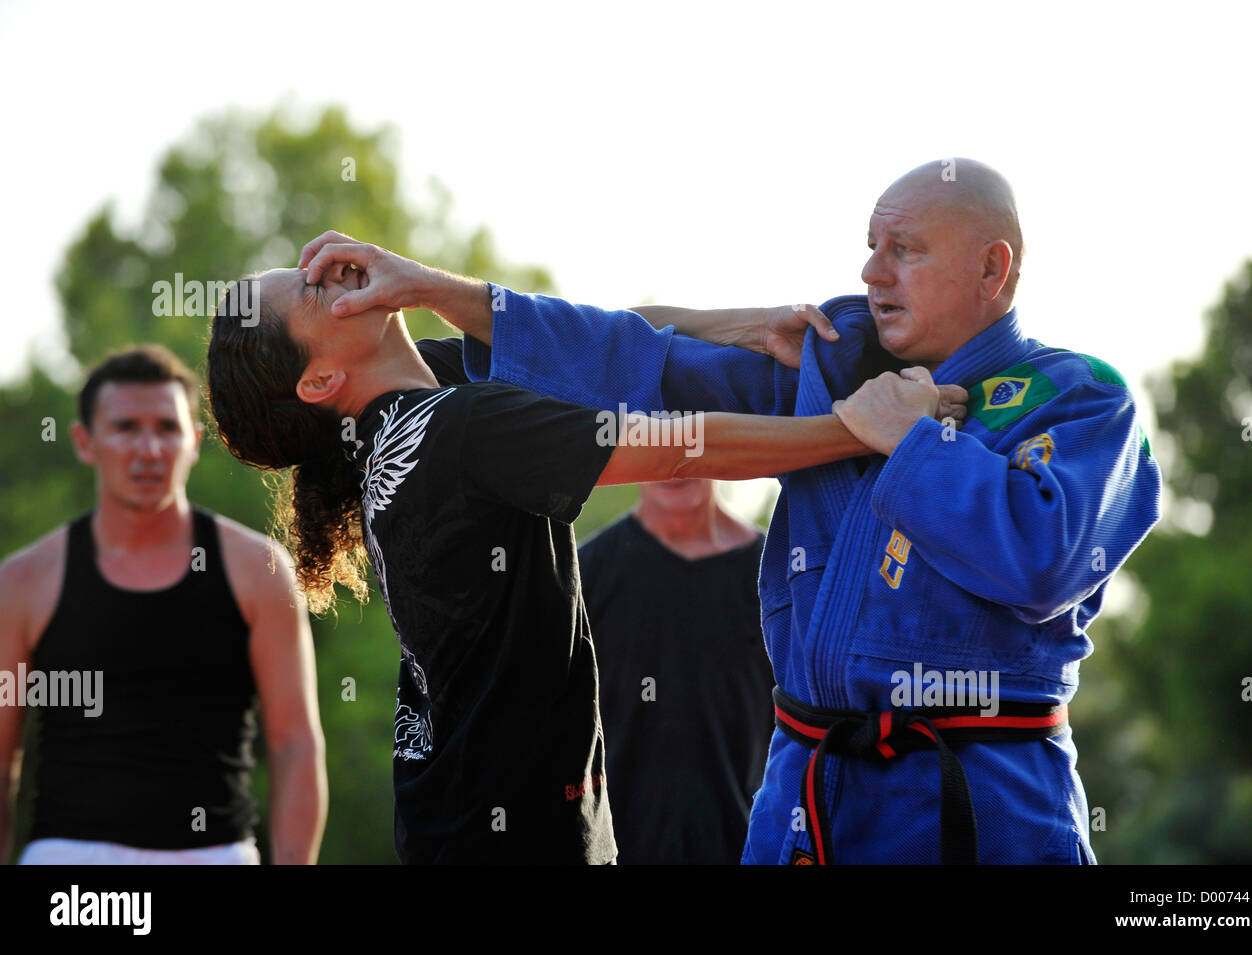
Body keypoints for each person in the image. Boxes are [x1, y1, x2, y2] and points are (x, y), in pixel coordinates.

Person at [300, 156, 1161, 864]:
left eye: (904, 249)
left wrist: (917, 441)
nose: (870, 271)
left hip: (978, 804)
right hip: (802, 802)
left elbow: (1042, 560)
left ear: (992, 267)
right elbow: (636, 363)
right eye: (869, 245)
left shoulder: (1080, 401)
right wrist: (429, 290)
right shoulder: (826, 364)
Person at [203, 258, 964, 864]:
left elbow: (574, 344)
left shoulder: (418, 402)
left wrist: (738, 325)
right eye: (309, 292)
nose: (329, 269)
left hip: (458, 822)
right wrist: (858, 428)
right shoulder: (460, 427)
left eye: (309, 264)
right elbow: (679, 449)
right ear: (319, 381)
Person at [0, 345, 327, 865]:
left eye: (167, 428)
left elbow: (294, 742)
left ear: (194, 442)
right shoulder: (22, 582)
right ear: (85, 442)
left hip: (214, 853)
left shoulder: (258, 570)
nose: (149, 449)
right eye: (126, 427)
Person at [578, 479, 773, 865]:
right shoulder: (585, 575)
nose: (673, 461)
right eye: (656, 440)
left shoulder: (777, 576)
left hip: (748, 849)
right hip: (615, 852)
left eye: (689, 439)